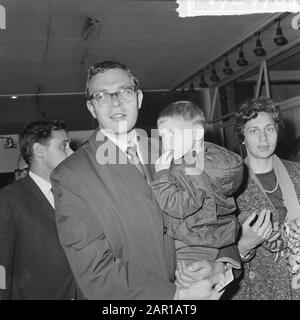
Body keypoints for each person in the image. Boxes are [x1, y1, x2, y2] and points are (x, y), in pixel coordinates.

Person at [50, 60, 241, 300]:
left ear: (139, 97)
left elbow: (218, 209)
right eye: (102, 96)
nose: (116, 101)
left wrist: (220, 263)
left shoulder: (176, 149)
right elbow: (95, 271)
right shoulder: (71, 175)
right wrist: (176, 297)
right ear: (91, 107)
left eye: (125, 91)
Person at [150, 101, 243, 276]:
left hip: (193, 243)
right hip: (207, 239)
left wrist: (162, 174)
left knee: (186, 288)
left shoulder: (195, 170)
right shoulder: (207, 161)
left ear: (198, 132)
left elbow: (178, 206)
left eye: (173, 134)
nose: (166, 142)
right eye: (162, 136)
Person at [0, 120, 81, 300]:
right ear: (39, 150)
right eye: (64, 146)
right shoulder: (8, 200)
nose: (71, 153)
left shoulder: (76, 194)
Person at [230, 96, 300, 300]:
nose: (263, 138)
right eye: (254, 131)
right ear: (242, 136)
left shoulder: (297, 174)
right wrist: (245, 244)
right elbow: (218, 256)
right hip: (257, 291)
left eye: (269, 129)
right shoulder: (229, 185)